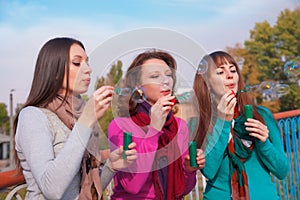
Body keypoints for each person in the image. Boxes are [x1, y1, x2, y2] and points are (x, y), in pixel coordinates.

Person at [13, 37, 137, 200]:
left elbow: (85, 190)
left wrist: (111, 167)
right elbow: (52, 189)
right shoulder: (33, 116)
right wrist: (86, 120)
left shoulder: (79, 115)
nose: (88, 69)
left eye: (88, 62)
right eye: (77, 63)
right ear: (55, 71)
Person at [108, 50, 206, 200]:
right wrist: (154, 130)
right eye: (155, 76)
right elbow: (132, 186)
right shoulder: (121, 125)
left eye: (168, 74)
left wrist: (189, 169)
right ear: (138, 86)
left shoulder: (179, 126)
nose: (165, 81)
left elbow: (183, 189)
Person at [192, 51, 289, 199]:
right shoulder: (198, 122)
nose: (230, 75)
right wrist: (223, 122)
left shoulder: (262, 115)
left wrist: (264, 143)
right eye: (220, 72)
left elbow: (281, 171)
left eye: (233, 70)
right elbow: (209, 170)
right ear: (207, 83)